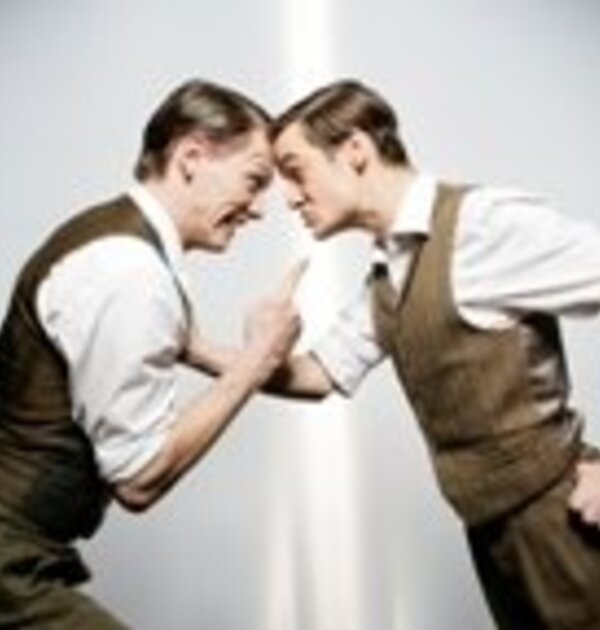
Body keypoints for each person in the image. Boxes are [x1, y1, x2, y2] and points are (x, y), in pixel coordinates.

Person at [261, 79, 600, 628]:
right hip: (490, 533)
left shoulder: (482, 225)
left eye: (296, 171)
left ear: (355, 150)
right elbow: (317, 374)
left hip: (563, 519)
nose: (289, 197)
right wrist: (206, 349)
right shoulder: (386, 273)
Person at [0, 79, 304, 628]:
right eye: (254, 180)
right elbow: (139, 480)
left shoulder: (124, 246)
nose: (260, 208)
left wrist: (254, 358)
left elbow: (187, 348)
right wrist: (255, 361)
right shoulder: (130, 272)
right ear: (191, 158)